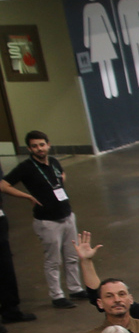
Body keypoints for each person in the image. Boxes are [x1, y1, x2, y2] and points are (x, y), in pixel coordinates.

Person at [2, 131, 83, 309]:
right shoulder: (26, 167)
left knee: (72, 256)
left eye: (41, 144)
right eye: (34, 146)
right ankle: (57, 296)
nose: (39, 148)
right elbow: (3, 184)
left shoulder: (54, 161)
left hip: (67, 215)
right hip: (47, 222)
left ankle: (75, 288)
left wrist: (61, 182)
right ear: (29, 148)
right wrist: (27, 197)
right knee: (53, 260)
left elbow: (62, 174)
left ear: (48, 144)